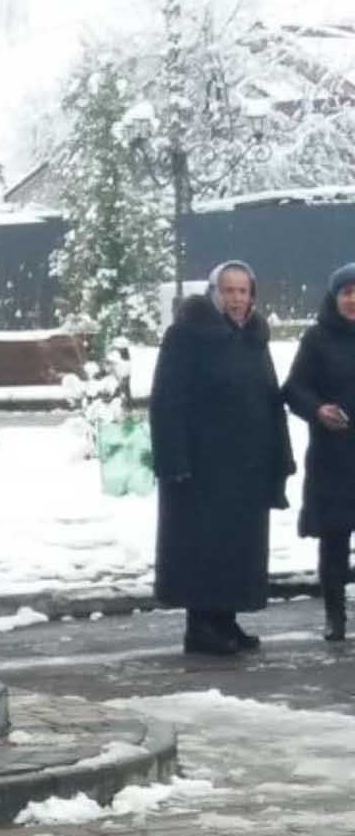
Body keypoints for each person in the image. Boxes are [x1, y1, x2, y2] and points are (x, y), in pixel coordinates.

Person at [149, 261, 293, 657]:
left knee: (237, 548)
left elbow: (268, 396)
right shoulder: (186, 335)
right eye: (228, 291)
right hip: (202, 466)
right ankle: (200, 627)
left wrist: (278, 455)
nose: (236, 299)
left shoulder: (253, 336)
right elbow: (167, 400)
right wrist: (173, 458)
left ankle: (225, 619)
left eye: (243, 291)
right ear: (214, 293)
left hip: (247, 466)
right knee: (203, 546)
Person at [282, 261, 355, 642]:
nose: (353, 300)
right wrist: (318, 409)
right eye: (347, 292)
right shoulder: (317, 339)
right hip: (334, 456)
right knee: (334, 538)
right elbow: (294, 389)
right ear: (335, 297)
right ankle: (334, 616)